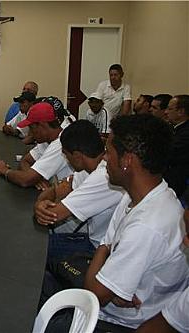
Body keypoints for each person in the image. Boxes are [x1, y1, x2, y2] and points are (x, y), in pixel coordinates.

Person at [83, 114, 188, 331]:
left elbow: (94, 294)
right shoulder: (141, 195)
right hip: (111, 302)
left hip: (118, 322)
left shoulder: (148, 225)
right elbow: (108, 243)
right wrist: (106, 252)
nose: (104, 158)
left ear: (127, 161)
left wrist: (103, 252)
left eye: (108, 151)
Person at [34, 120, 123, 255]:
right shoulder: (85, 169)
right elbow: (57, 191)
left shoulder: (104, 176)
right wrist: (42, 204)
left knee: (36, 249)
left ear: (77, 156)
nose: (65, 158)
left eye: (65, 154)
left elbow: (52, 215)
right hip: (93, 241)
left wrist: (40, 206)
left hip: (97, 249)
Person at [0, 102, 73, 189]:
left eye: (31, 128)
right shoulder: (45, 140)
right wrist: (35, 178)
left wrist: (4, 171)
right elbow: (25, 161)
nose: (30, 133)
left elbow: (25, 180)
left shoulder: (61, 144)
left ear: (42, 125)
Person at [164, 94, 189, 197]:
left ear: (181, 112)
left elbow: (166, 152)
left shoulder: (186, 133)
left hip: (177, 183)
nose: (166, 112)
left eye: (170, 109)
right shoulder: (173, 128)